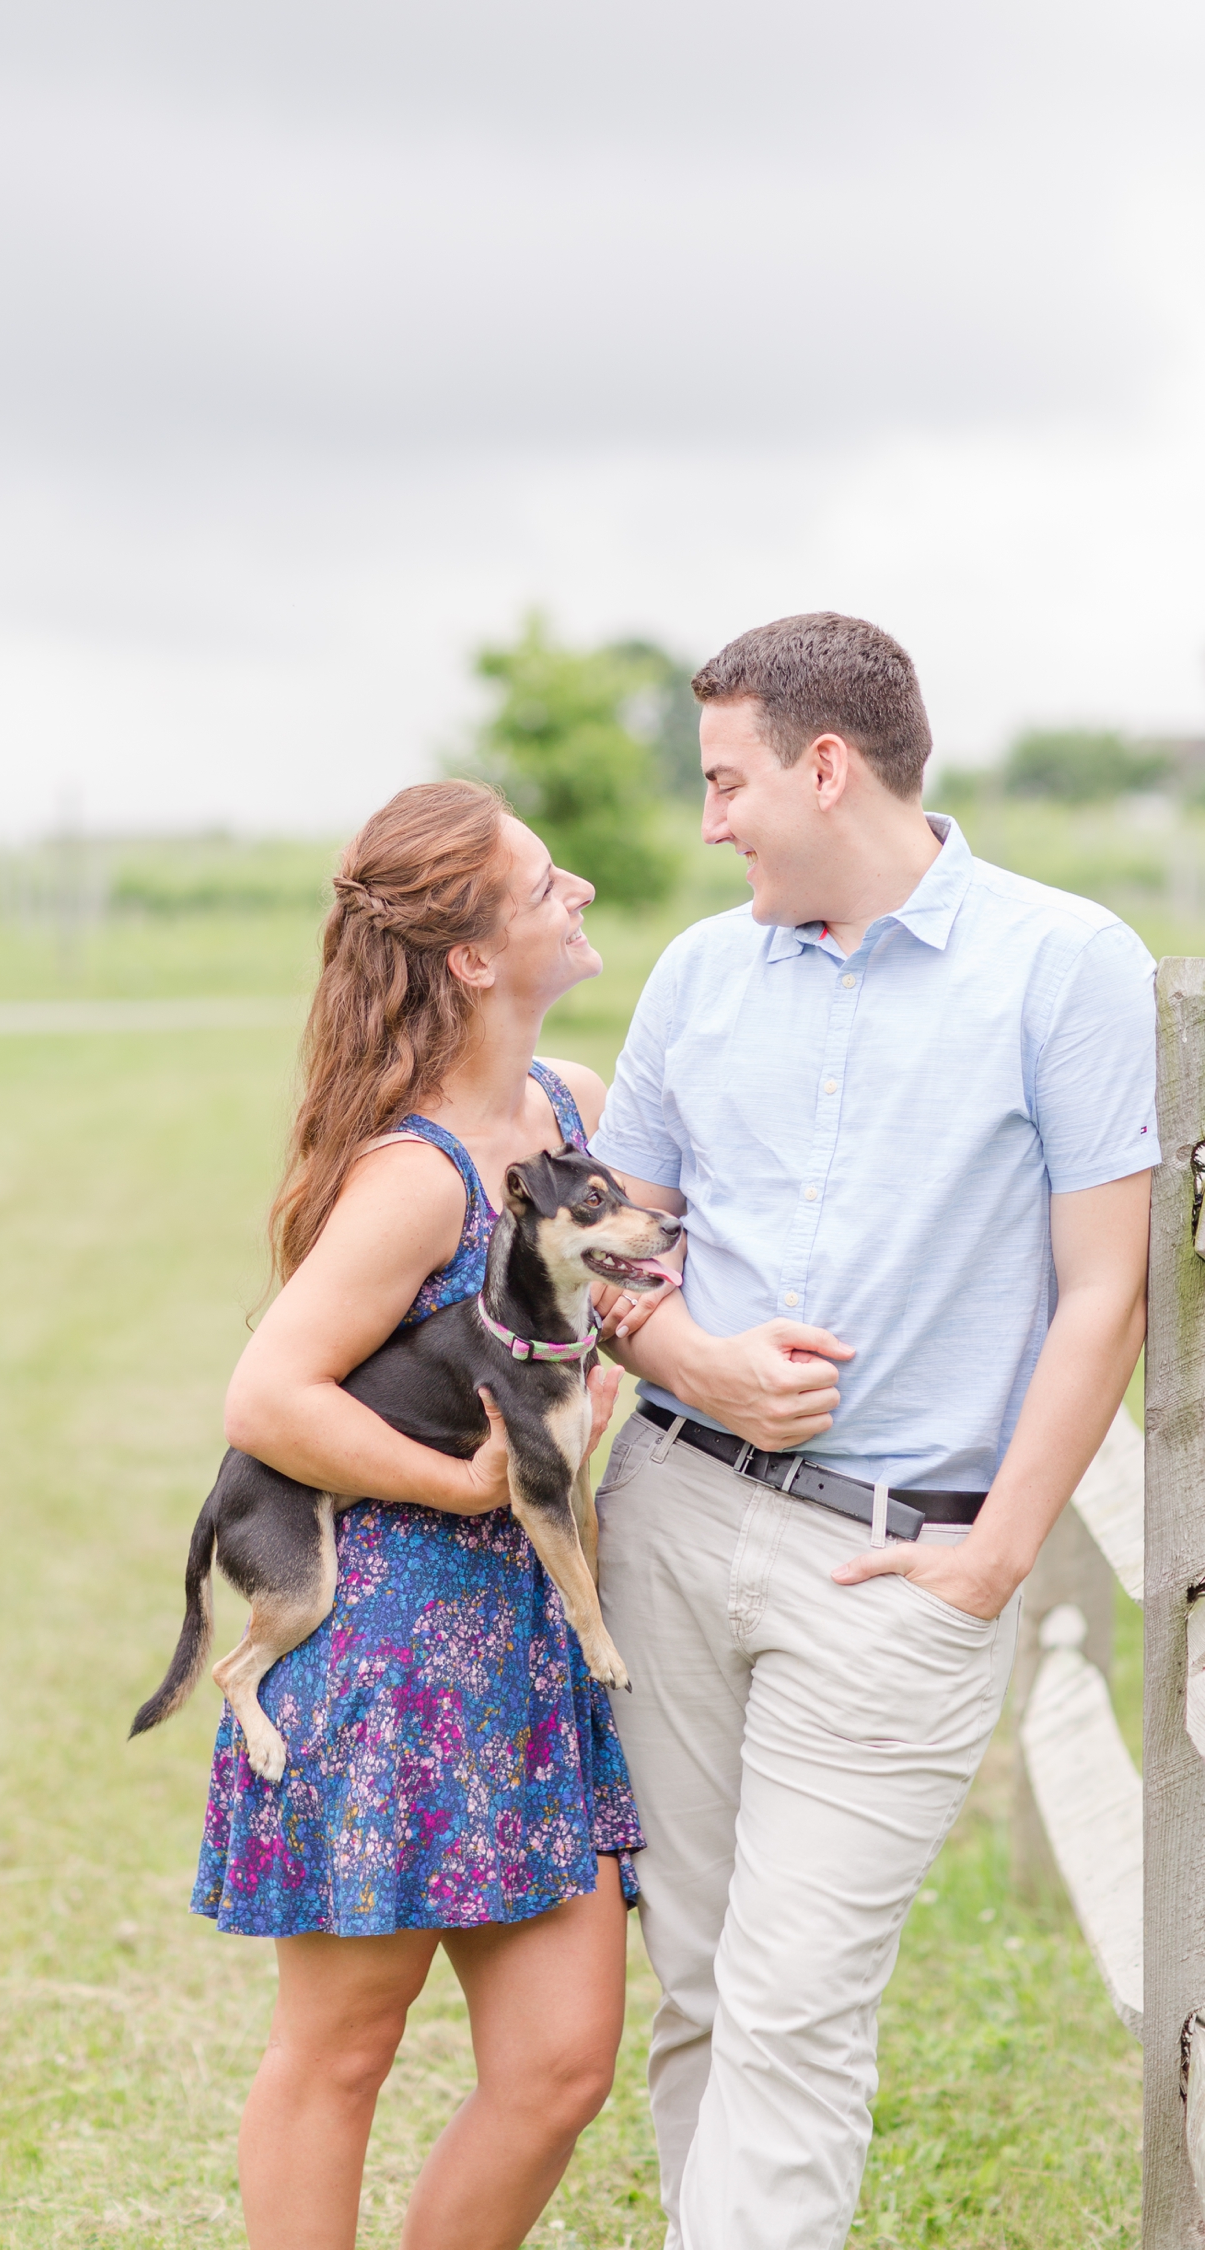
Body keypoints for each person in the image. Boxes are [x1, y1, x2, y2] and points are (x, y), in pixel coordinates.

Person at [589, 612, 1156, 2250]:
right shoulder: (701, 972)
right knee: (699, 1985)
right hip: (675, 1520)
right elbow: (609, 1248)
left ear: (824, 766)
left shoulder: (1065, 964)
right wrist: (692, 1347)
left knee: (793, 2003)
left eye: (725, 781)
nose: (709, 824)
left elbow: (1100, 1293)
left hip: (898, 1569)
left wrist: (991, 1554)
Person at [196, 778, 664, 2250]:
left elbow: (622, 1293)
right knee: (342, 2050)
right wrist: (466, 1481)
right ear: (469, 957)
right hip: (391, 1654)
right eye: (542, 885)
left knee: (558, 2067)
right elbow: (269, 1397)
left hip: (529, 1646)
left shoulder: (573, 1106)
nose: (577, 888)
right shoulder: (416, 1175)